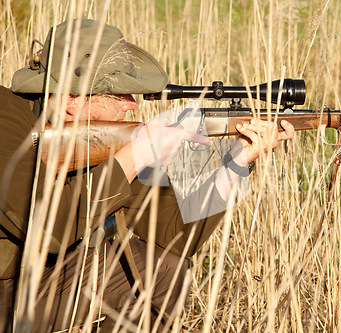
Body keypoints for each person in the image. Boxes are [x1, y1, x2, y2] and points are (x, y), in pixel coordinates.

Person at [0, 19, 295, 332]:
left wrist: (238, 160)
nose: (131, 105)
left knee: (166, 269)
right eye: (119, 95)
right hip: (7, 291)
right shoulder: (5, 120)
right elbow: (49, 226)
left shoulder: (92, 140)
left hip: (41, 279)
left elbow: (176, 233)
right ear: (72, 101)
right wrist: (132, 158)